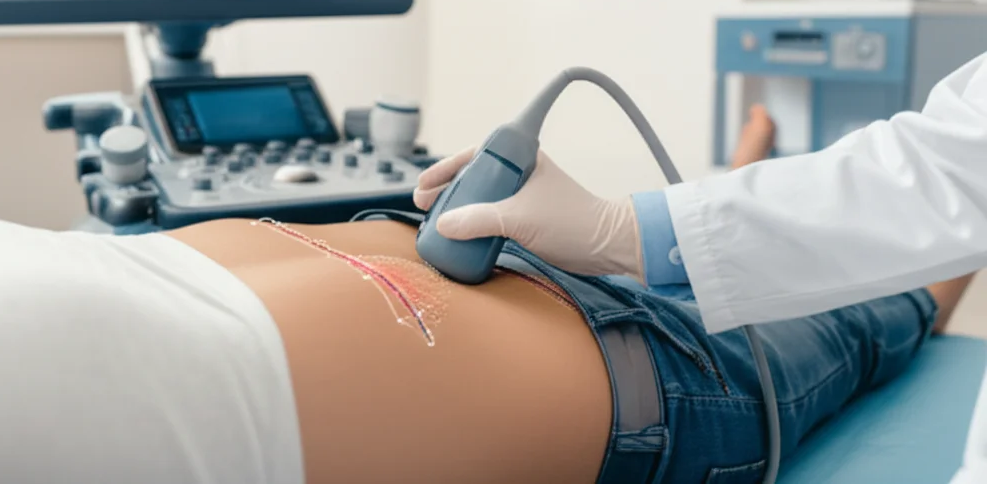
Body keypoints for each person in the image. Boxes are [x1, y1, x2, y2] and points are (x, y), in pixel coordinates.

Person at [0, 121, 973, 484]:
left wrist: (632, 227)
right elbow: (949, 181)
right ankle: (928, 277)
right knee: (858, 305)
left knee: (743, 242)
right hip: (641, 370)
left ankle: (724, 189)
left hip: (436, 245)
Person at [416, 54, 987, 483]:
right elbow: (948, 171)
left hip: (650, 367)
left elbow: (951, 181)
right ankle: (731, 187)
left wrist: (621, 231)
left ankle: (935, 286)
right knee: (695, 273)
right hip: (556, 294)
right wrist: (629, 234)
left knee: (844, 308)